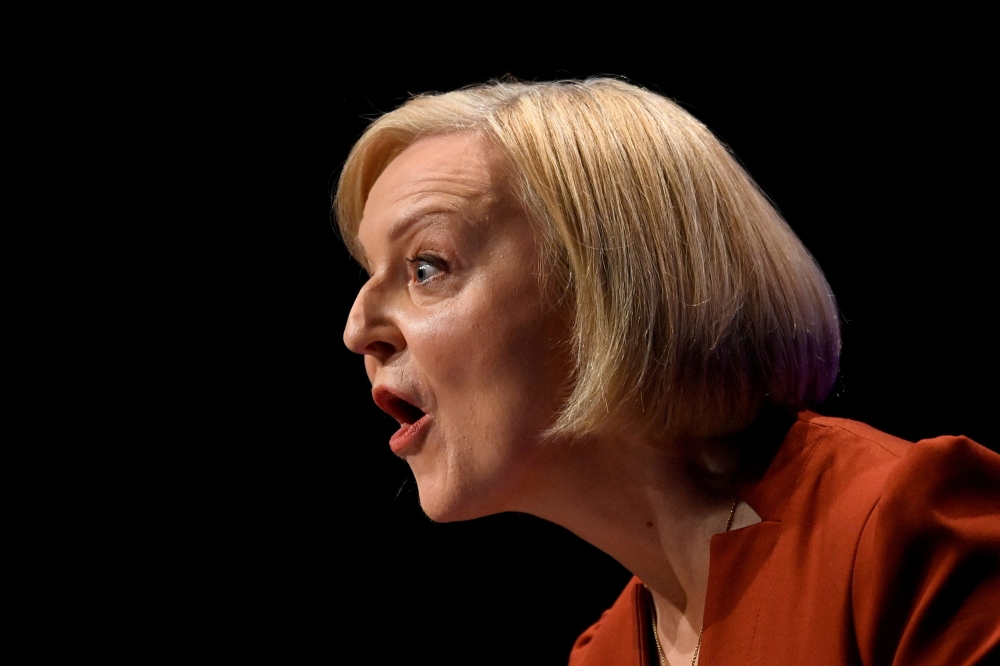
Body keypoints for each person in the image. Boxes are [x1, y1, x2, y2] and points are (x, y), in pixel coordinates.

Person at [336, 78, 1000, 665]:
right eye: (372, 277)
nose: (357, 330)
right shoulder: (604, 655)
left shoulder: (899, 526)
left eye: (426, 267)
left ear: (606, 285)